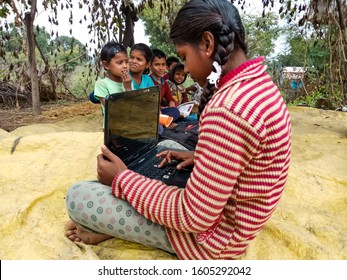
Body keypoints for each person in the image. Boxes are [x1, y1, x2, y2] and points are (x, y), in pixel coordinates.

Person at [65, 0, 291, 260]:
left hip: (213, 241)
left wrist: (122, 180)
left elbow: (193, 216)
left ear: (207, 44)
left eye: (183, 57)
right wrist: (202, 157)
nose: (186, 69)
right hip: (235, 217)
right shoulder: (256, 84)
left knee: (79, 196)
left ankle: (112, 225)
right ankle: (121, 213)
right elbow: (247, 155)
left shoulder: (228, 109)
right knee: (165, 149)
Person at [93, 41, 132, 128]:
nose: (125, 66)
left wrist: (128, 88)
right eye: (120, 63)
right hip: (113, 130)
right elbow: (112, 110)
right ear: (106, 65)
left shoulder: (128, 82)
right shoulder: (102, 84)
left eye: (126, 62)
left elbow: (133, 107)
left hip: (130, 126)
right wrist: (128, 90)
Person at [149, 48, 180, 122]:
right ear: (150, 66)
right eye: (157, 65)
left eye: (163, 65)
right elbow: (149, 103)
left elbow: (170, 98)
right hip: (151, 112)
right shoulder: (148, 80)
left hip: (160, 113)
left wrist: (171, 102)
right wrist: (161, 107)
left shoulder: (164, 82)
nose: (160, 68)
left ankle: (163, 123)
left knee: (175, 111)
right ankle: (164, 123)